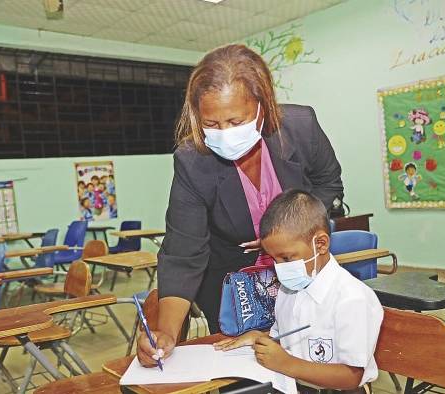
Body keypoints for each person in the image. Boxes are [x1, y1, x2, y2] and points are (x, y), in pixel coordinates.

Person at [137, 44, 344, 367]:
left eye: (236, 121)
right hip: (231, 275)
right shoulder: (193, 161)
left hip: (297, 264)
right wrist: (166, 333)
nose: (225, 134)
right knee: (244, 367)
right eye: (212, 124)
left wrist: (290, 233)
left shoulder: (301, 127)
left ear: (263, 107)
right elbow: (182, 253)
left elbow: (328, 181)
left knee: (314, 354)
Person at [214, 190, 383, 391]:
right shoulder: (288, 289)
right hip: (294, 385)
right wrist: (261, 337)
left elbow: (351, 377)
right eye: (274, 259)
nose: (279, 267)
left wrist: (286, 364)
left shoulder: (352, 299)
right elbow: (286, 337)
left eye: (286, 258)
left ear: (320, 244)